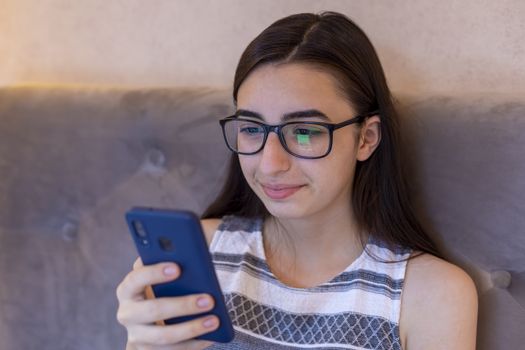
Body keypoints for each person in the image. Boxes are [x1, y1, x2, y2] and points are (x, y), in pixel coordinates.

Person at [116, 11, 478, 350]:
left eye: (304, 131)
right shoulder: (200, 253)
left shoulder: (431, 295)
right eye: (252, 129)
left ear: (366, 138)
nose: (270, 164)